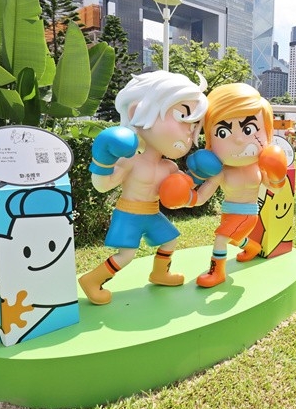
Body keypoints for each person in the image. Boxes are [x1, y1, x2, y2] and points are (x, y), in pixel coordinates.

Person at [78, 71, 213, 305]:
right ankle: (92, 280)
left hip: (152, 213)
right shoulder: (130, 161)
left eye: (193, 126)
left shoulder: (169, 167)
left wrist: (201, 176)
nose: (188, 132)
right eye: (182, 117)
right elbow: (102, 186)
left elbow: (185, 191)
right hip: (128, 213)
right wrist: (102, 161)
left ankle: (160, 273)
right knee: (126, 255)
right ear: (136, 112)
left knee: (170, 240)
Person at [162, 83, 288, 288]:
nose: (238, 139)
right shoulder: (221, 171)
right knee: (235, 238)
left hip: (247, 214)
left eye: (248, 129)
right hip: (227, 212)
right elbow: (202, 197)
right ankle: (252, 247)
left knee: (221, 238)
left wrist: (277, 175)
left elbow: (275, 188)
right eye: (223, 132)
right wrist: (186, 198)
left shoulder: (258, 166)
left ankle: (217, 272)